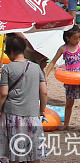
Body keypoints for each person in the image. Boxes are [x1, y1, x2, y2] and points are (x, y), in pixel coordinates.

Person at [0, 33, 47, 163]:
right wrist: (42, 110)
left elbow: (3, 93)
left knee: (14, 152)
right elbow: (43, 92)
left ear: (10, 51)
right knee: (33, 152)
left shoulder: (7, 69)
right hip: (32, 114)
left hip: (13, 114)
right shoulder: (36, 68)